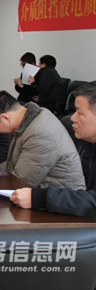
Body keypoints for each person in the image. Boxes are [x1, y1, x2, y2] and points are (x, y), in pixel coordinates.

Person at [10, 83, 96, 218]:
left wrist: (39, 198)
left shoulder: (41, 130)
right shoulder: (90, 144)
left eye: (79, 112)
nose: (73, 118)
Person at [0, 91, 85, 189]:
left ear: (5, 117)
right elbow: (11, 164)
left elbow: (21, 182)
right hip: (42, 190)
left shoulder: (39, 133)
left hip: (59, 196)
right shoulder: (27, 118)